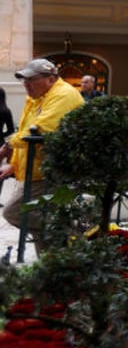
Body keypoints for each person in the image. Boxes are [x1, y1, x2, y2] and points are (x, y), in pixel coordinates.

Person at [0, 59, 85, 245]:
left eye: (32, 79)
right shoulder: (38, 97)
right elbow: (27, 132)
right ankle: (51, 266)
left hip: (52, 170)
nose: (26, 84)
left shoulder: (64, 95)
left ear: (51, 79)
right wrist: (14, 165)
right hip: (39, 169)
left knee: (14, 212)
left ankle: (70, 228)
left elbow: (40, 129)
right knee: (39, 226)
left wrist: (8, 145)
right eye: (24, 80)